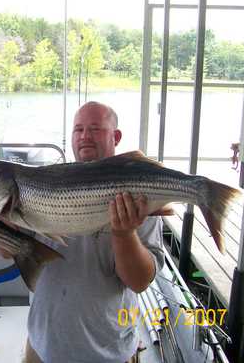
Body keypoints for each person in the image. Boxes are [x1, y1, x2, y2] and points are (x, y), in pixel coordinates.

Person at [22, 101, 165, 363]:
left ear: (116, 136)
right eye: (78, 129)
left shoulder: (138, 192)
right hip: (42, 345)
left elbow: (139, 281)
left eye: (95, 128)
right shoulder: (44, 185)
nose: (84, 136)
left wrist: (124, 235)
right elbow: (8, 250)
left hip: (107, 352)